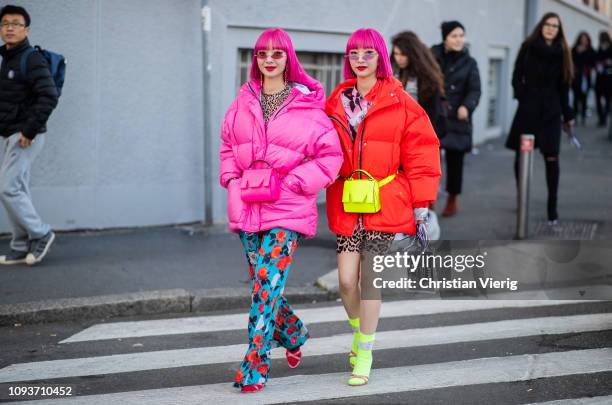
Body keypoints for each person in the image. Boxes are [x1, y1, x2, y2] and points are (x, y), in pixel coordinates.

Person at [219, 28, 342, 393]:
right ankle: (293, 331)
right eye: (261, 54)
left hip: (287, 209)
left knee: (267, 286)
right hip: (247, 207)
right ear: (255, 60)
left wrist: (295, 182)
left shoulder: (308, 106)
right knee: (264, 284)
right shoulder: (242, 101)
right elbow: (228, 145)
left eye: (276, 53)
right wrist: (231, 180)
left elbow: (330, 156)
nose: (268, 60)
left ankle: (254, 365)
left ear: (289, 58)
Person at [325, 28, 441, 386]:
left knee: (369, 282)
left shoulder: (399, 99)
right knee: (346, 281)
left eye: (368, 53)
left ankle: (365, 351)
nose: (360, 60)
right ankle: (359, 332)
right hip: (347, 202)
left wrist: (421, 203)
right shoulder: (335, 100)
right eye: (354, 53)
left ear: (380, 58)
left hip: (384, 201)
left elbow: (422, 152)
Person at [0, 5, 58, 266]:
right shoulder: (9, 59)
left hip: (25, 135)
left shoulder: (31, 58)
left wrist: (29, 129)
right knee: (17, 188)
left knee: (7, 188)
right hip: (11, 134)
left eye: (16, 23)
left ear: (27, 30)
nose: (9, 28)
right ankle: (21, 245)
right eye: (5, 24)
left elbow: (49, 95)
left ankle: (41, 233)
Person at [505, 12, 575, 224]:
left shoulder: (562, 52)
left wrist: (568, 113)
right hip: (528, 109)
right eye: (547, 24)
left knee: (551, 158)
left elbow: (564, 86)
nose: (551, 28)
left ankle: (552, 205)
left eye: (555, 26)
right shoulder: (528, 47)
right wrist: (522, 96)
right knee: (521, 156)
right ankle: (522, 196)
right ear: (541, 26)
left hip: (551, 112)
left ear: (558, 30)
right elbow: (516, 76)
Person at [391, 30, 446, 240]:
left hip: (420, 146)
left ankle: (421, 239)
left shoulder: (427, 79)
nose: (399, 58)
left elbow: (435, 119)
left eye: (403, 54)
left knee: (420, 196)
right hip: (395, 145)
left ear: (413, 54)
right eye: (396, 54)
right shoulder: (392, 76)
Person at [431, 21, 481, 217]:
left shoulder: (470, 63)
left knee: (455, 159)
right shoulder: (432, 56)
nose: (459, 39)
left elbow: (475, 89)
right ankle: (429, 198)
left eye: (461, 35)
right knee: (431, 160)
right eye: (454, 36)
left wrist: (466, 106)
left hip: (458, 116)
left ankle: (453, 197)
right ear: (445, 38)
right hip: (436, 114)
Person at [571, 32, 596, 126]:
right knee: (575, 98)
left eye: (585, 39)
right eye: (582, 38)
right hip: (576, 77)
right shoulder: (575, 49)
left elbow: (593, 62)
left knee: (584, 98)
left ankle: (583, 117)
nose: (583, 40)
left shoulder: (590, 50)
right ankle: (575, 117)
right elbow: (571, 60)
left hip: (586, 76)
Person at [595, 31, 612, 128]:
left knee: (607, 98)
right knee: (598, 96)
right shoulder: (599, 48)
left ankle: (604, 117)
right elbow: (596, 59)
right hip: (600, 76)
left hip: (609, 76)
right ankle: (601, 117)